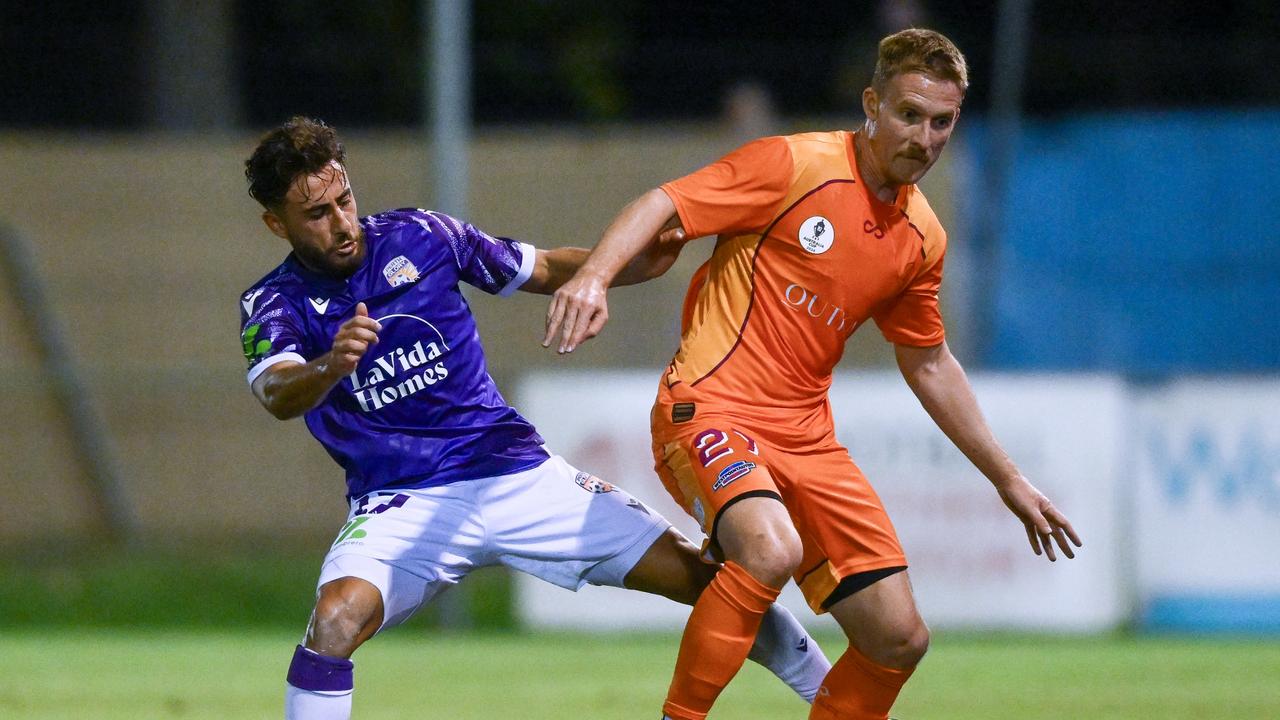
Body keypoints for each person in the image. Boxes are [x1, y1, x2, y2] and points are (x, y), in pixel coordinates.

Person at [543, 29, 1083, 720]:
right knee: (768, 550)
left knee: (898, 638)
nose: (924, 136)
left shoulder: (922, 238)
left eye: (941, 121)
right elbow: (664, 202)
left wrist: (1009, 479)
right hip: (707, 410)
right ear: (871, 104)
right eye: (908, 114)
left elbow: (927, 359)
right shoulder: (793, 166)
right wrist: (592, 279)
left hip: (806, 441)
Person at [237, 116, 831, 720]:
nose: (341, 223)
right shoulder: (272, 303)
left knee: (708, 581)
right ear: (276, 223)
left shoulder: (421, 235)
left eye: (344, 199)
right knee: (334, 623)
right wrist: (331, 364)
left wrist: (623, 264)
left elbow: (541, 267)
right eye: (316, 214)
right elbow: (276, 392)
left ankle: (840, 703)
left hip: (515, 473)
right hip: (401, 500)